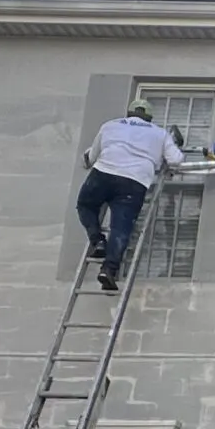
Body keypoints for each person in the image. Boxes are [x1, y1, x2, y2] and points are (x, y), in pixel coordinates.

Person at [76, 100, 184, 289]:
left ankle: (97, 241)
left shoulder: (110, 126)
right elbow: (175, 161)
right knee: (121, 227)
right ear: (149, 117)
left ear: (129, 113)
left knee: (86, 205)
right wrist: (171, 149)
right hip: (134, 181)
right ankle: (108, 270)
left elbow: (91, 157)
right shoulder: (159, 133)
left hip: (103, 174)